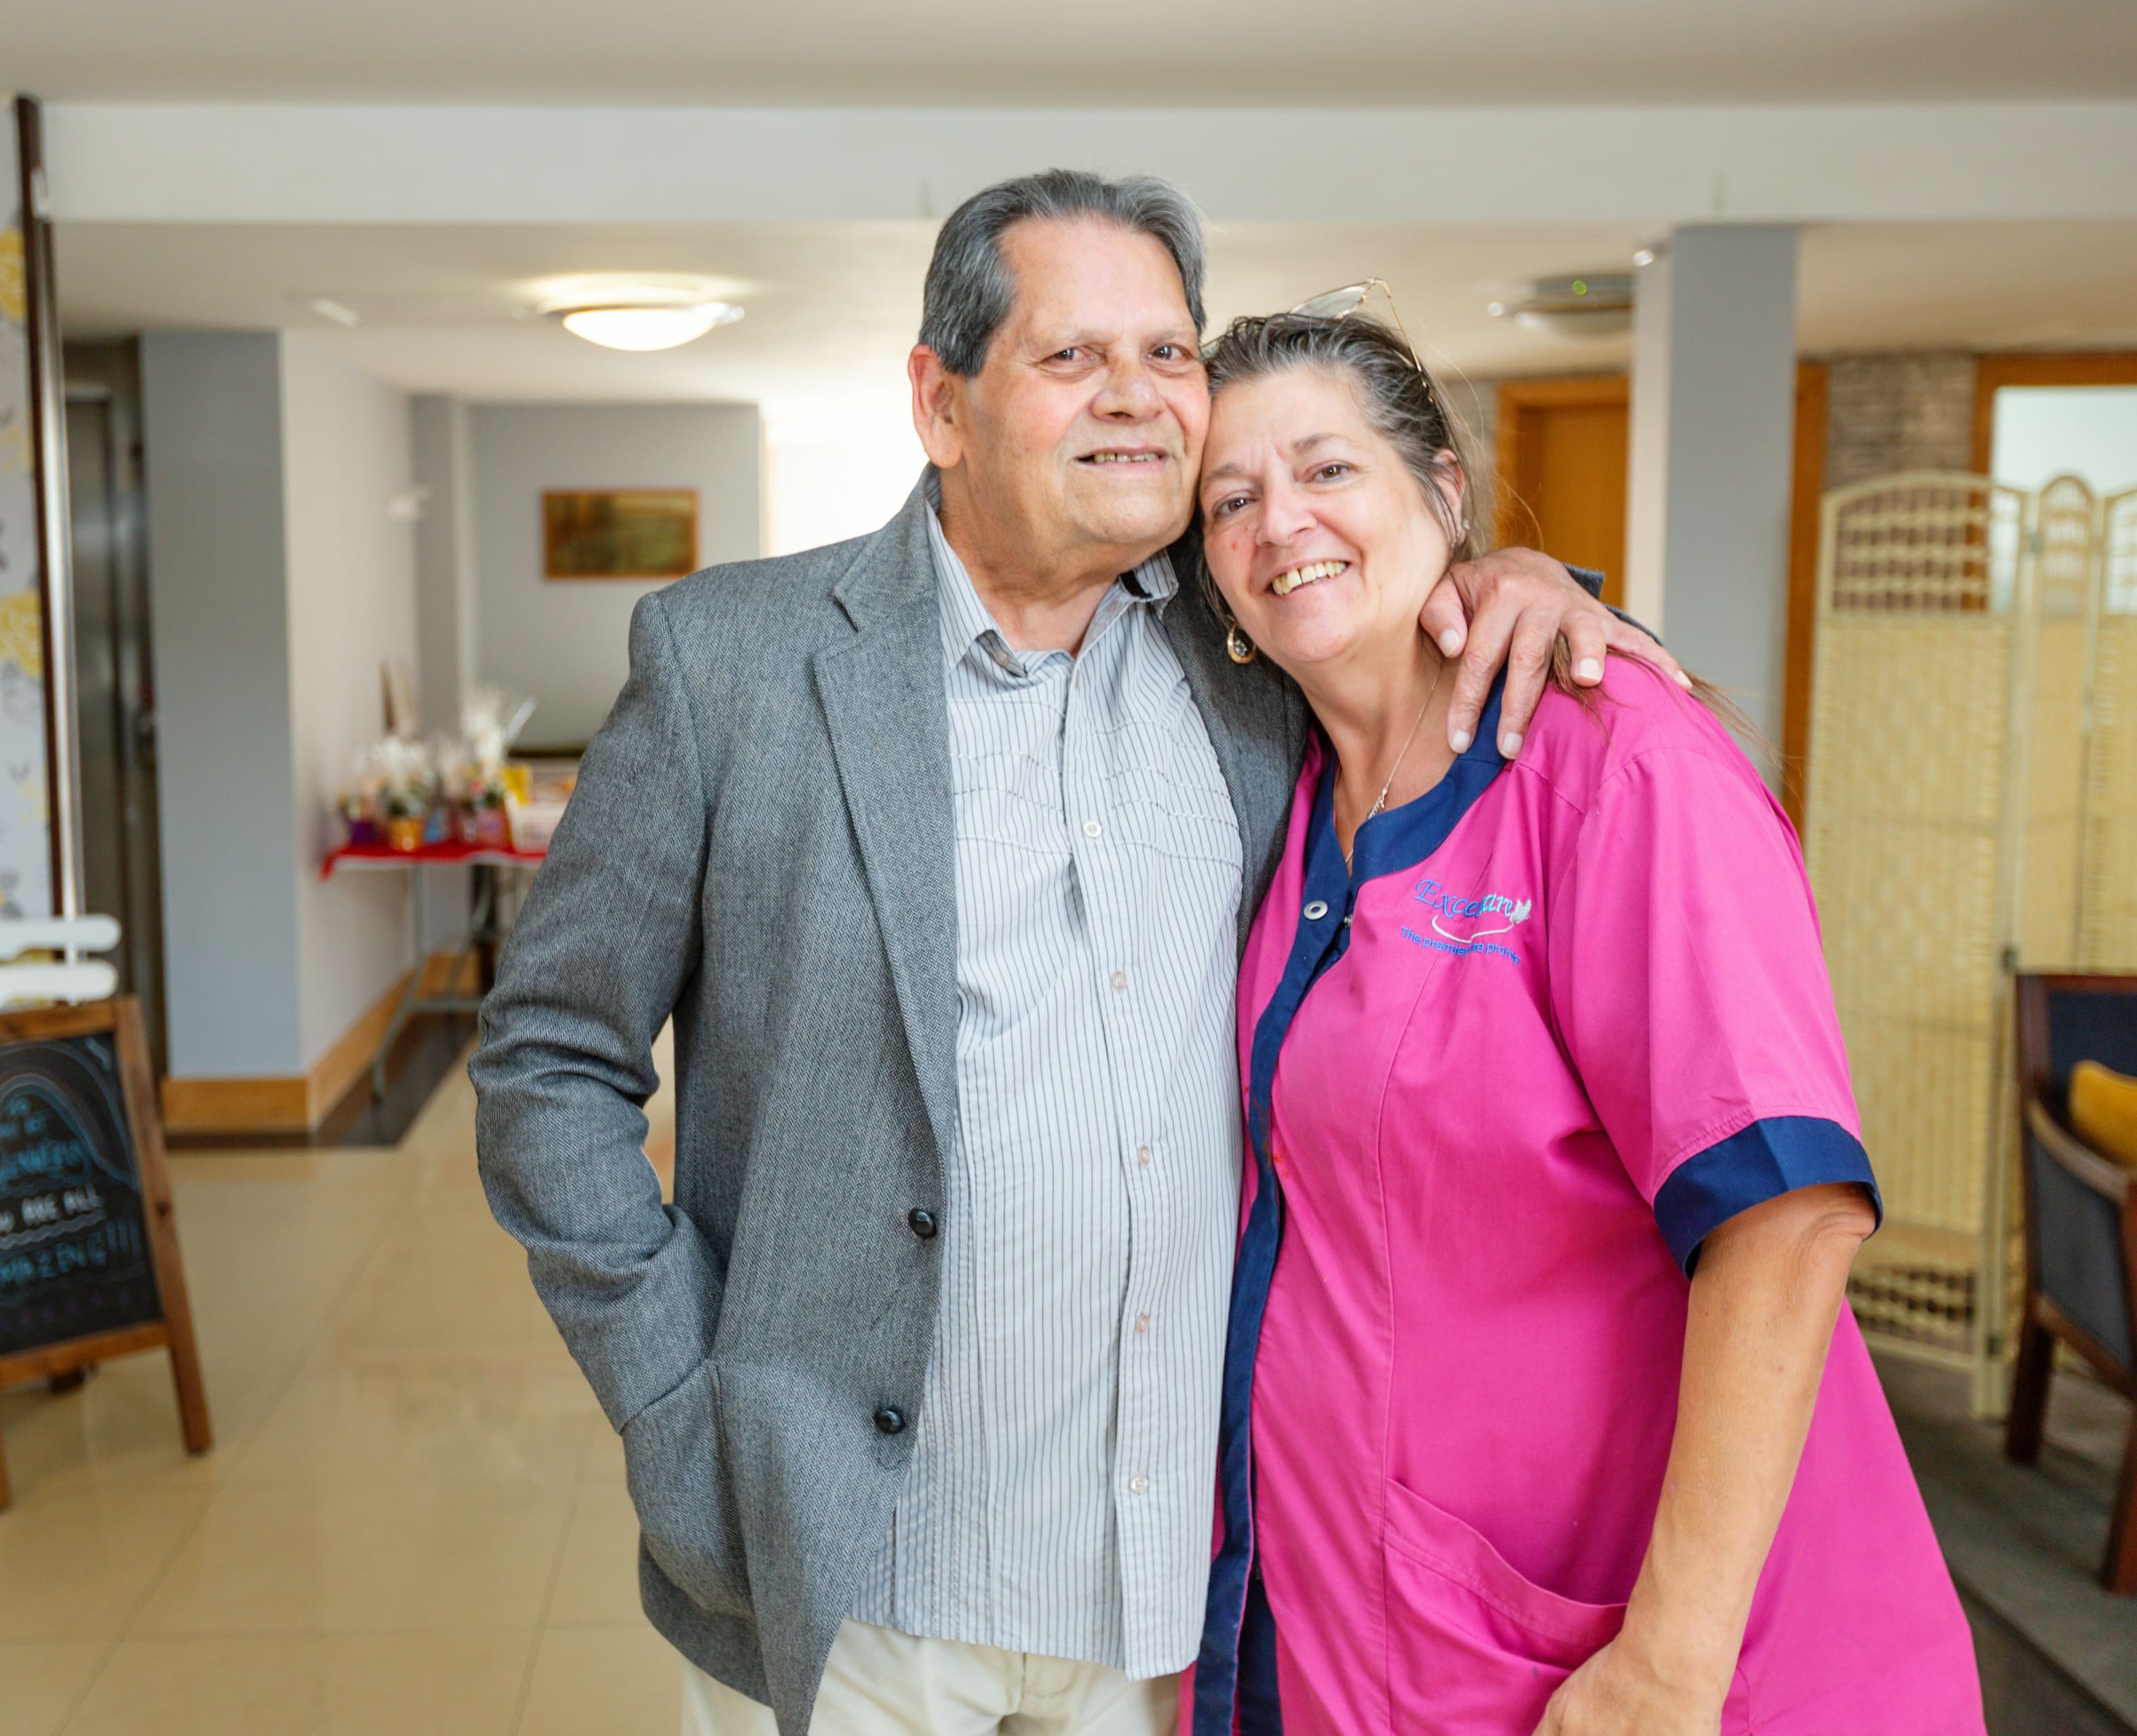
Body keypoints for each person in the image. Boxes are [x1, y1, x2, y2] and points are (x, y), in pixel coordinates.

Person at [471, 169, 1669, 1736]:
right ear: (941, 401)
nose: (1139, 399)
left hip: (1167, 1588)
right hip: (855, 1582)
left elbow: (1383, 593)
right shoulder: (735, 664)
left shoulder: (1247, 658)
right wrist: (678, 1404)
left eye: (1170, 354)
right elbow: (547, 1058)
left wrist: (1527, 580)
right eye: (1071, 357)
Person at [1185, 306, 1983, 1735]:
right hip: (1358, 1631)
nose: (1277, 522)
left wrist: (1668, 1662)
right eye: (1229, 498)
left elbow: (1786, 1215)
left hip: (1635, 1653)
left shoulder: (1616, 767)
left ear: (1444, 491)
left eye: (1326, 470)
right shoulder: (1291, 801)